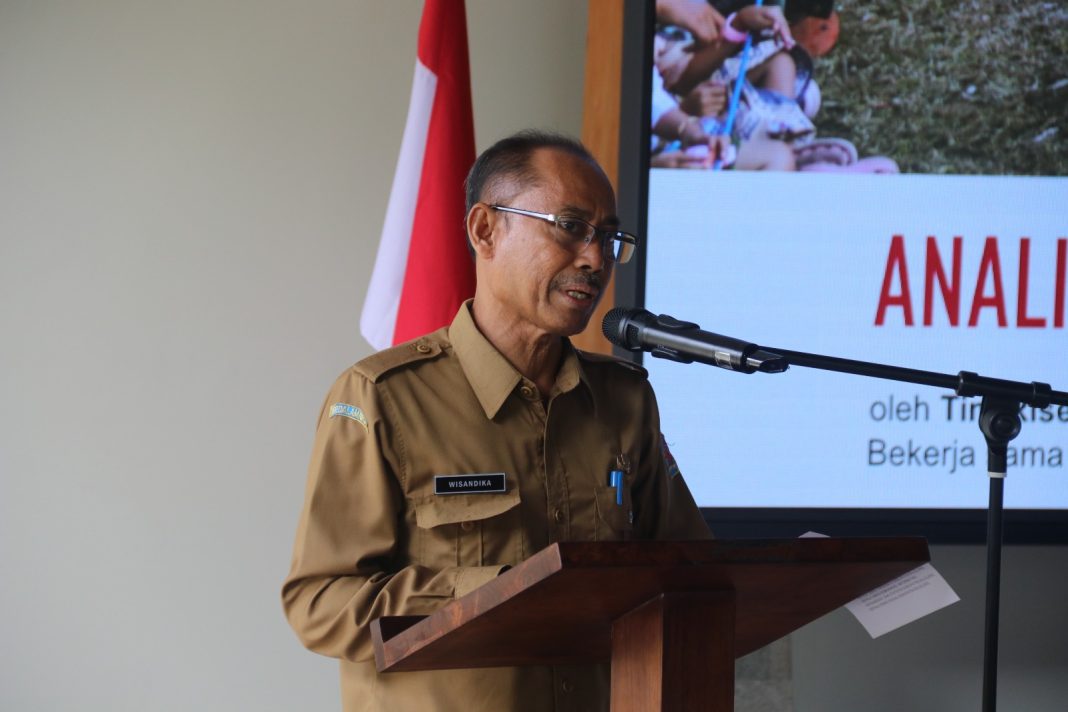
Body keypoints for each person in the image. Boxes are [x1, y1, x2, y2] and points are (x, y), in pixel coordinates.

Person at [281, 130, 712, 712]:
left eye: (610, 237)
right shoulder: (383, 399)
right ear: (486, 229)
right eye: (570, 226)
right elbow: (319, 603)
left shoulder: (623, 398)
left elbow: (690, 571)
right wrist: (495, 591)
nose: (594, 258)